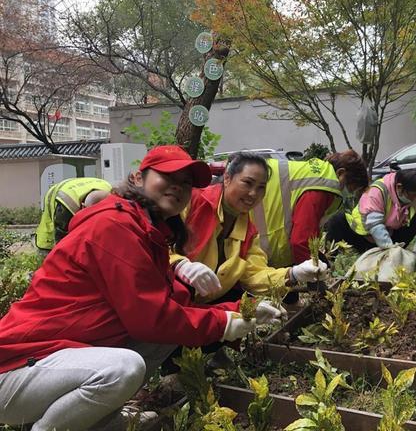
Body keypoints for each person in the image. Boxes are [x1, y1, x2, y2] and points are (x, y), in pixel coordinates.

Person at [0, 145, 282, 431]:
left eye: (186, 183)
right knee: (123, 368)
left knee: (163, 338)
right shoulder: (115, 225)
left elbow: (172, 310)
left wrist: (241, 310)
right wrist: (224, 322)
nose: (179, 187)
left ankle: (102, 420)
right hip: (15, 367)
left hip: (54, 360)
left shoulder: (149, 232)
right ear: (137, 178)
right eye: (168, 176)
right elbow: (152, 318)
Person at [170, 152, 331, 303]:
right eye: (247, 183)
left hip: (204, 303)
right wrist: (179, 264)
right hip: (169, 295)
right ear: (227, 178)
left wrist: (294, 274)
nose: (253, 193)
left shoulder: (249, 230)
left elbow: (254, 275)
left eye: (261, 187)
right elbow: (156, 242)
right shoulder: (193, 202)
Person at [251, 150, 370, 268]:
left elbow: (306, 237)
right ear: (340, 173)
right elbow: (301, 241)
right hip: (253, 248)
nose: (349, 194)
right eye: (350, 188)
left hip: (250, 239)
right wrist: (316, 275)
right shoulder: (321, 189)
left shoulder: (315, 176)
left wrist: (322, 261)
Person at [325, 168, 416, 255]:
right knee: (337, 220)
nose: (415, 199)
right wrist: (390, 252)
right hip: (362, 236)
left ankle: (397, 252)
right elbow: (375, 225)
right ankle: (329, 259)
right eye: (412, 195)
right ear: (399, 187)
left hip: (390, 235)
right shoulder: (377, 191)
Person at [34, 177, 112, 251]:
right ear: (83, 207)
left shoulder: (112, 195)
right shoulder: (66, 207)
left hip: (82, 186)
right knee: (49, 239)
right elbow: (63, 244)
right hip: (58, 194)